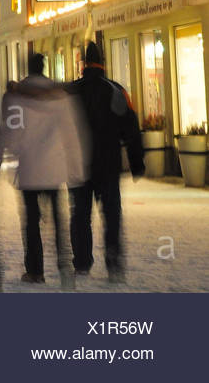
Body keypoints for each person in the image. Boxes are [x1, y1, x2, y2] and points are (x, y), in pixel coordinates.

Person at [0, 52, 86, 289]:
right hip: (54, 169)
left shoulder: (16, 97)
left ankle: (35, 270)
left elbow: (7, 130)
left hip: (30, 168)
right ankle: (65, 267)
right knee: (60, 221)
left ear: (29, 69)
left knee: (31, 221)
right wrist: (76, 168)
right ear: (44, 68)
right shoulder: (60, 96)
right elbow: (71, 133)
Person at [68, 41, 144, 283]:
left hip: (78, 164)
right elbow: (131, 128)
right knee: (111, 214)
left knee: (80, 214)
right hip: (108, 164)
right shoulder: (115, 90)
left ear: (83, 64)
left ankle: (81, 262)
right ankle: (113, 263)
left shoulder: (71, 91)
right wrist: (136, 162)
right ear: (103, 63)